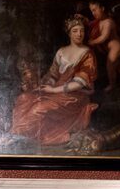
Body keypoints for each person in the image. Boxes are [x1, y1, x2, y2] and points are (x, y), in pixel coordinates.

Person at [9, 14, 98, 146]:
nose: (79, 34)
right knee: (24, 99)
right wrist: (44, 85)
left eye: (82, 30)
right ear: (69, 33)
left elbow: (80, 83)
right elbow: (53, 75)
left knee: (38, 107)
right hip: (56, 90)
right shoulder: (61, 51)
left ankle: (15, 135)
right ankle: (21, 134)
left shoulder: (87, 54)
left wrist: (54, 89)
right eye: (75, 31)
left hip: (73, 96)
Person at [88, 1, 120, 91]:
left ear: (102, 9)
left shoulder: (108, 22)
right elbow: (90, 25)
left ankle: (112, 85)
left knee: (110, 66)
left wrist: (93, 42)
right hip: (112, 49)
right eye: (91, 11)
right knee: (118, 65)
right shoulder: (99, 21)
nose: (93, 13)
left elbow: (104, 37)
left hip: (116, 47)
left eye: (95, 10)